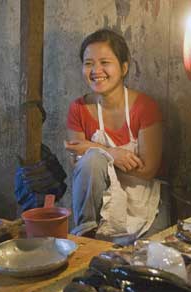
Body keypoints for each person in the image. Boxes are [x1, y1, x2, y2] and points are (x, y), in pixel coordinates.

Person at [65, 29, 165, 245]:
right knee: (91, 161)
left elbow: (148, 169)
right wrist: (111, 154)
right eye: (89, 63)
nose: (96, 70)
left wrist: (91, 149)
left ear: (124, 67)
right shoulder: (79, 108)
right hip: (97, 206)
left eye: (104, 62)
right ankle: (86, 239)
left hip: (139, 202)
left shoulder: (144, 107)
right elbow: (76, 160)